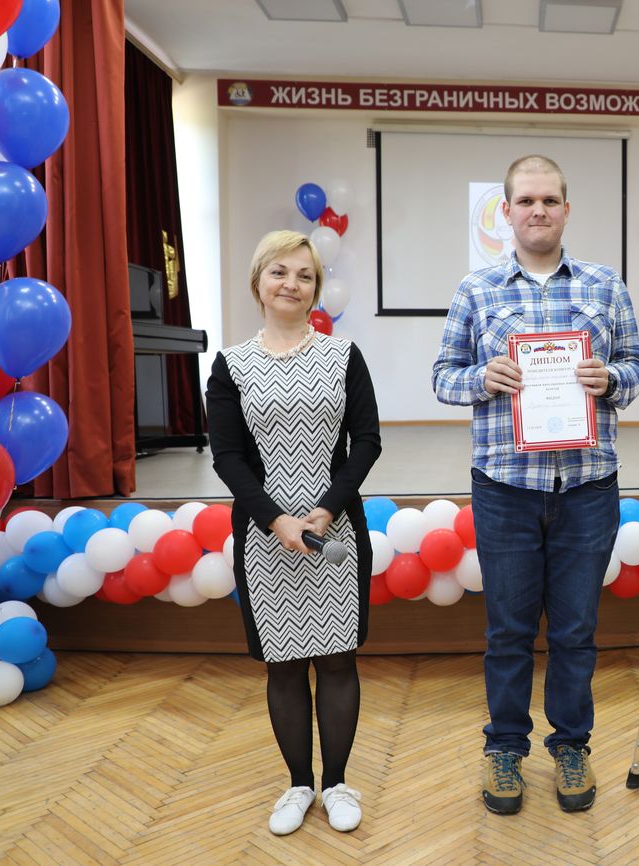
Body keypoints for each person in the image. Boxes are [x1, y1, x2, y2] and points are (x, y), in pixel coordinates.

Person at [432, 154, 639, 815]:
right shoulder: (476, 290)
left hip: (587, 486)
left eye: (550, 200)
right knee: (508, 631)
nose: (538, 211)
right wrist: (482, 379)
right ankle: (504, 748)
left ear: (566, 209)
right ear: (506, 211)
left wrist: (611, 380)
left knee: (577, 631)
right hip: (506, 489)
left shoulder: (605, 286)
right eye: (526, 201)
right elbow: (443, 377)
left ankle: (572, 745)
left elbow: (636, 367)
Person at [207, 230, 381, 835]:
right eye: (279, 272)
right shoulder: (231, 365)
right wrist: (276, 520)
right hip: (264, 539)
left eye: (305, 275)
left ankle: (337, 784)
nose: (292, 284)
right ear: (258, 282)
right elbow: (228, 457)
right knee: (282, 667)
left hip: (336, 534)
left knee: (336, 661)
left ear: (316, 289)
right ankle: (299, 785)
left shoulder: (344, 355)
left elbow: (367, 442)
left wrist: (327, 509)